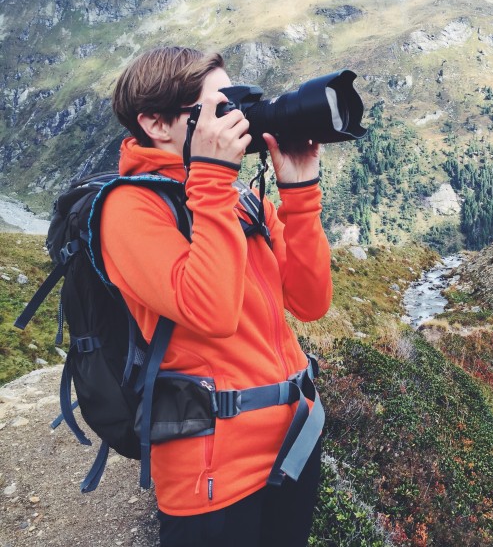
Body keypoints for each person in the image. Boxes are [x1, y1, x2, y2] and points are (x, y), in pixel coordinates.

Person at [103, 46, 332, 546]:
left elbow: (311, 303)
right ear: (157, 124)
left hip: (294, 438)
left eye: (236, 104)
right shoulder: (130, 208)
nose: (237, 122)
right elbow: (213, 311)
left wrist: (299, 194)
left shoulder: (240, 199)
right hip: (212, 472)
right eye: (218, 109)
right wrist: (209, 181)